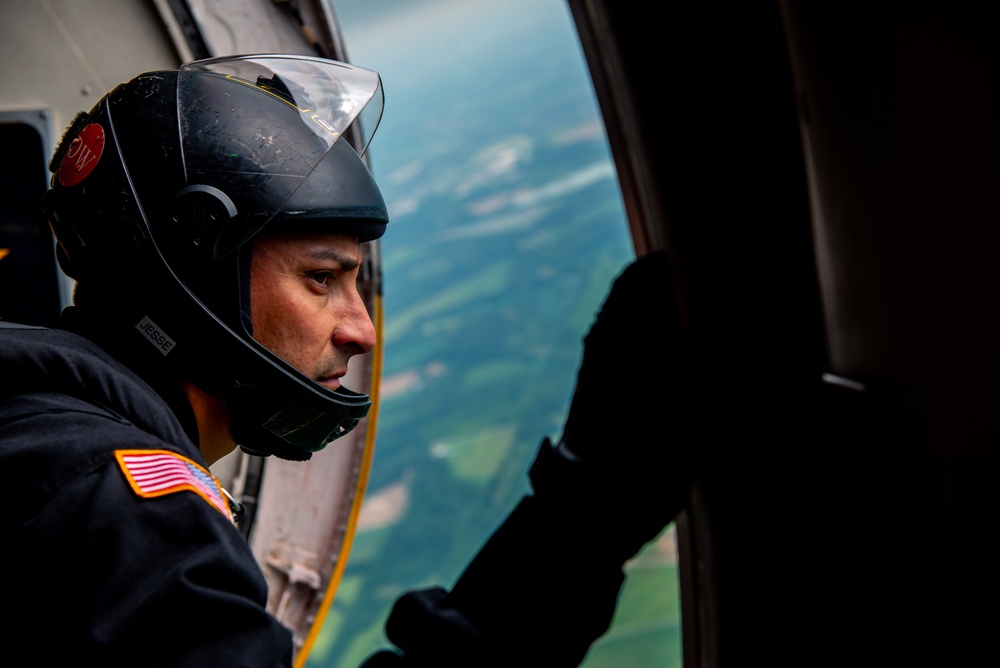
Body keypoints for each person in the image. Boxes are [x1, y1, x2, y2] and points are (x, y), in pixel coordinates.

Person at [0, 53, 701, 667]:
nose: (361, 331)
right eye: (322, 278)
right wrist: (586, 518)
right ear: (189, 270)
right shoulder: (129, 520)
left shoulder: (40, 441)